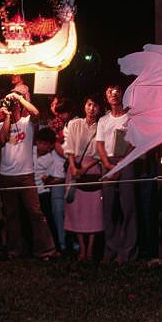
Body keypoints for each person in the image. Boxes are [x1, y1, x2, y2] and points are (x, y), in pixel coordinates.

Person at [0, 90, 58, 259]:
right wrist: (7, 116)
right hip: (6, 175)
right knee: (11, 215)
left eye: (14, 104)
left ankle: (45, 250)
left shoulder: (27, 122)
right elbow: (1, 140)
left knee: (35, 213)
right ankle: (15, 250)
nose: (12, 106)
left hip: (26, 175)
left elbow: (36, 113)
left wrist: (20, 98)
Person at [97, 83, 137, 264]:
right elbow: (100, 143)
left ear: (121, 94)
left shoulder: (130, 117)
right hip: (108, 164)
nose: (113, 95)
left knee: (127, 207)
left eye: (116, 91)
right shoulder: (103, 120)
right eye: (109, 92)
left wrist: (122, 163)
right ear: (106, 96)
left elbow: (133, 142)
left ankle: (127, 251)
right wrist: (106, 164)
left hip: (126, 162)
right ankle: (111, 249)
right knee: (109, 208)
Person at [64, 95, 104, 261]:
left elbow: (102, 150)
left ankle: (90, 249)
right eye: (89, 104)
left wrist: (86, 167)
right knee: (77, 210)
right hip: (75, 168)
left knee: (94, 211)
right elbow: (69, 146)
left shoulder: (102, 126)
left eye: (95, 105)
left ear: (99, 108)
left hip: (93, 168)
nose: (91, 108)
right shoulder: (75, 124)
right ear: (84, 106)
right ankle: (81, 247)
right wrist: (74, 167)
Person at [34, 127, 68, 252]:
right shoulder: (30, 151)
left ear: (50, 146)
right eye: (40, 143)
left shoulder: (50, 158)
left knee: (48, 219)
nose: (42, 147)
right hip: (30, 192)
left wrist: (48, 180)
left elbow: (51, 177)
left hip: (43, 192)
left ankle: (56, 246)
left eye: (46, 144)